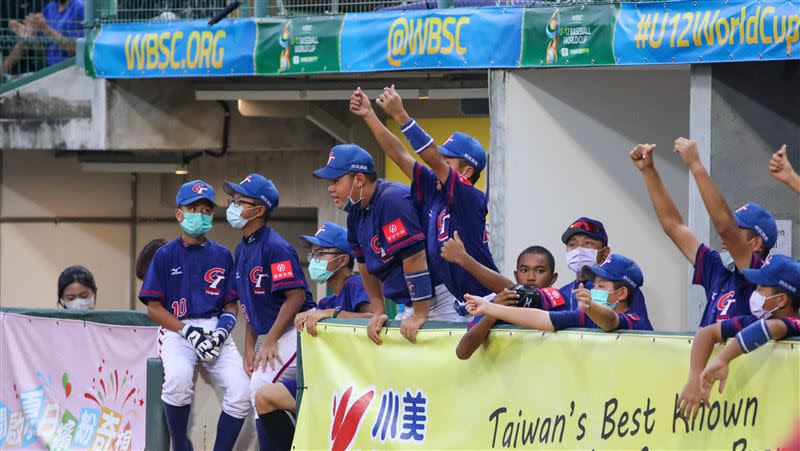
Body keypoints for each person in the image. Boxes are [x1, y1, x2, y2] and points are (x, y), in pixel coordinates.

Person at [350, 86, 497, 319]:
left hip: (484, 299)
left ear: (467, 171)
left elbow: (431, 156)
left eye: (448, 160)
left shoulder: (467, 195)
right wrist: (370, 116)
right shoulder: (435, 190)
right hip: (462, 301)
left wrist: (401, 115)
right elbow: (399, 155)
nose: (438, 163)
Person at [139, 180, 250, 451]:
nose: (199, 214)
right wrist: (188, 331)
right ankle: (180, 445)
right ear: (179, 213)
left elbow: (231, 305)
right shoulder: (165, 255)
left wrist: (222, 331)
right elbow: (153, 307)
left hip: (215, 327)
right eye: (192, 208)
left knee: (243, 392)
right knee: (177, 380)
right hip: (179, 329)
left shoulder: (223, 255)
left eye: (205, 209)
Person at [253, 222, 373, 450]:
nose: (314, 258)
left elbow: (374, 318)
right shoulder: (326, 300)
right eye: (313, 253)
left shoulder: (355, 284)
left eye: (321, 253)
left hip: (353, 387)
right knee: (264, 396)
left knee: (265, 395)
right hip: (325, 381)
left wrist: (330, 314)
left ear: (343, 259)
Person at [631, 141, 777, 326]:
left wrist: (696, 165)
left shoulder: (761, 276)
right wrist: (649, 171)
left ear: (756, 244)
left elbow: (724, 227)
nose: (725, 240)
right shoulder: (718, 268)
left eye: (736, 230)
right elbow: (673, 226)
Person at [223, 173, 314, 451]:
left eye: (241, 201)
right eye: (233, 200)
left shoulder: (275, 246)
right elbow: (250, 302)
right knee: (258, 392)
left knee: (260, 388)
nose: (234, 206)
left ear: (259, 210)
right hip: (274, 333)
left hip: (298, 331)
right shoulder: (242, 248)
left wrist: (270, 340)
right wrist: (250, 345)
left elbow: (296, 296)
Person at [313, 144, 436, 345]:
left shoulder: (390, 200)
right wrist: (378, 311)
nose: (330, 188)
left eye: (336, 180)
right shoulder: (355, 213)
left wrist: (421, 313)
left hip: (435, 297)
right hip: (411, 303)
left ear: (359, 180)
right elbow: (363, 264)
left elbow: (414, 256)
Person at [677, 254, 800, 420]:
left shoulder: (794, 323)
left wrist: (723, 359)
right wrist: (694, 379)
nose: (754, 293)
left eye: (761, 287)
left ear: (781, 300)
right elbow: (707, 333)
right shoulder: (753, 320)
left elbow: (769, 328)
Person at [466, 254, 652, 332]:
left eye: (601, 287)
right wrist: (490, 308)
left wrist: (591, 306)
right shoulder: (587, 316)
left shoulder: (635, 321)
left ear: (621, 294)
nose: (593, 290)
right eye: (593, 285)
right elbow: (541, 318)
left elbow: (611, 321)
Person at [456, 245, 561, 360]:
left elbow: (529, 296)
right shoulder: (501, 300)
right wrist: (493, 313)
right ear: (516, 275)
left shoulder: (557, 298)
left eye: (540, 271)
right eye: (524, 270)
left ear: (553, 278)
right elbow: (463, 352)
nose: (531, 277)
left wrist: (464, 259)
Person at [557, 217, 652, 328]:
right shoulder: (562, 293)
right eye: (572, 244)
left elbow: (640, 333)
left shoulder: (620, 290)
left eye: (588, 243)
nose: (579, 250)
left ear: (605, 252)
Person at [29, 0, 84, 66]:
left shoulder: (80, 8)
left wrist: (45, 28)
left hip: (71, 67)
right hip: (50, 67)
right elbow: (42, 50)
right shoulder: (49, 8)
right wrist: (30, 37)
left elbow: (76, 50)